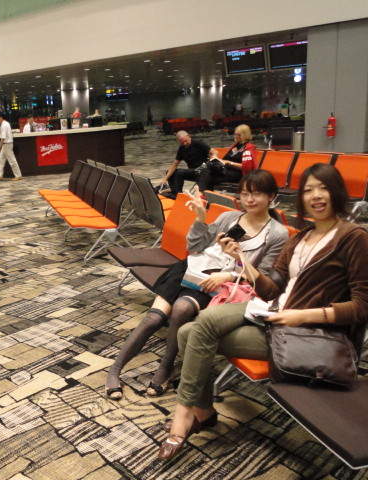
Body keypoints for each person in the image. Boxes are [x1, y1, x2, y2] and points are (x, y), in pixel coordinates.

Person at [158, 163, 368, 460]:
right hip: (273, 313)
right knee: (188, 331)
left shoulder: (353, 237)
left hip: (309, 333)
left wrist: (300, 316)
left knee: (196, 329)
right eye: (308, 190)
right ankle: (202, 412)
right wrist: (242, 260)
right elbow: (272, 288)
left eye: (323, 188)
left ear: (337, 192)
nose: (316, 196)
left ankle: (186, 417)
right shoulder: (302, 237)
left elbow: (362, 306)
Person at [105, 170, 288, 400]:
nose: (250, 200)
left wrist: (229, 274)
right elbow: (195, 246)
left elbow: (263, 277)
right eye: (244, 194)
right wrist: (200, 219)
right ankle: (114, 371)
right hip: (189, 270)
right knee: (153, 318)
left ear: (271, 196)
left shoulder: (276, 234)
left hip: (217, 284)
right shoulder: (229, 218)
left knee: (182, 309)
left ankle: (166, 367)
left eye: (257, 194)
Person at [198, 124, 257, 192]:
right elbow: (225, 159)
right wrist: (217, 159)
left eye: (237, 134)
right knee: (208, 173)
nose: (235, 136)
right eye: (235, 134)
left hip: (237, 173)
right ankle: (203, 194)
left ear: (243, 135)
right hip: (226, 171)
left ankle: (201, 193)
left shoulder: (249, 147)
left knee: (206, 173)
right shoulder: (236, 146)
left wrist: (229, 163)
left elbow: (246, 167)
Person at [159, 131, 210, 198]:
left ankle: (199, 194)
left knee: (202, 171)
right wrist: (165, 179)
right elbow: (175, 164)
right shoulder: (181, 148)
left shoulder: (198, 143)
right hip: (193, 172)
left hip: (204, 171)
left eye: (186, 141)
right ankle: (177, 194)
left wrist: (209, 162)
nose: (185, 143)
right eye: (182, 142)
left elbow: (214, 152)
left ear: (189, 136)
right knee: (173, 172)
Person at [0, 113, 22, 181]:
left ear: (1, 117)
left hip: (7, 144)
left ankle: (18, 176)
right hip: (6, 144)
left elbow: (3, 138)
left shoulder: (4, 125)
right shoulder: (5, 123)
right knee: (0, 160)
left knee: (12, 161)